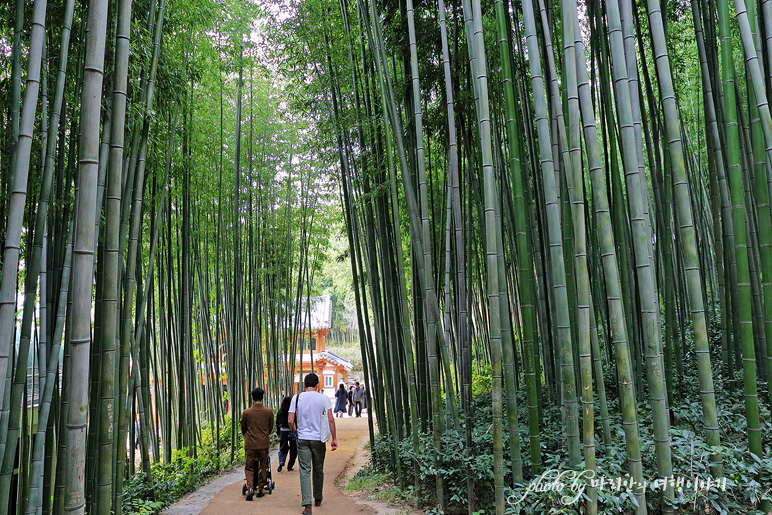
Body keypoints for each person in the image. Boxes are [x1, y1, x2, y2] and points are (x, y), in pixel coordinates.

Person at [289, 373, 338, 515]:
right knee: (318, 468)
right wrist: (334, 438)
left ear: (304, 384)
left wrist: (296, 431)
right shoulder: (323, 398)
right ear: (317, 385)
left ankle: (307, 506)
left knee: (304, 471)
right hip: (319, 439)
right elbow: (330, 420)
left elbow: (290, 420)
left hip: (303, 439)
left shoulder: (296, 398)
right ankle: (318, 497)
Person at [240, 387, 273, 500]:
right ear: (263, 397)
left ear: (252, 397)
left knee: (249, 467)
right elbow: (270, 427)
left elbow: (243, 428)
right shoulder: (268, 412)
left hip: (250, 444)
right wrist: (264, 435)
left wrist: (248, 436)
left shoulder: (246, 412)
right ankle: (260, 489)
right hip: (263, 443)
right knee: (262, 466)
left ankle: (250, 488)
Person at [276, 395, 297, 472]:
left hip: (283, 431)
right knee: (294, 449)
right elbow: (295, 421)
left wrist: (278, 433)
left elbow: (277, 423)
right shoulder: (293, 411)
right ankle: (290, 466)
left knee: (283, 448)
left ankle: (281, 461)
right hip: (292, 431)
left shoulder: (280, 411)